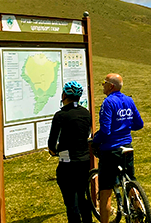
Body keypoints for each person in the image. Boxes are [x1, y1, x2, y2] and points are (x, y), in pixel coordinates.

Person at [91, 74, 144, 223]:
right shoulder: (129, 100)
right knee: (130, 180)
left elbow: (106, 130)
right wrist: (125, 127)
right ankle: (139, 210)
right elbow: (139, 124)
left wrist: (95, 141)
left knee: (105, 191)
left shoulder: (108, 102)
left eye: (104, 83)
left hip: (110, 150)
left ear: (111, 86)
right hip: (127, 146)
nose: (102, 85)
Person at [48, 81, 93, 223]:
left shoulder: (60, 115)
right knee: (81, 196)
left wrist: (54, 152)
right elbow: (87, 134)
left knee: (71, 202)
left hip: (67, 163)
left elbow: (52, 144)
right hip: (84, 161)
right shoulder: (86, 113)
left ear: (64, 95)